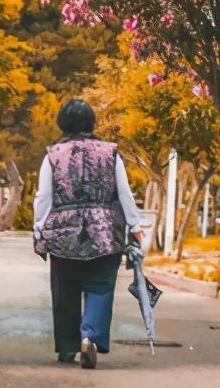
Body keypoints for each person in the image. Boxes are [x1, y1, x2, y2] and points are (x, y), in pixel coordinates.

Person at [32, 98, 145, 369]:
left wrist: (39, 229)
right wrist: (136, 226)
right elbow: (124, 193)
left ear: (62, 123)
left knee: (65, 289)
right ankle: (90, 337)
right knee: (101, 286)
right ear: (92, 122)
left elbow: (44, 196)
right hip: (105, 230)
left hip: (63, 231)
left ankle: (68, 347)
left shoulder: (53, 154)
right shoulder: (111, 153)